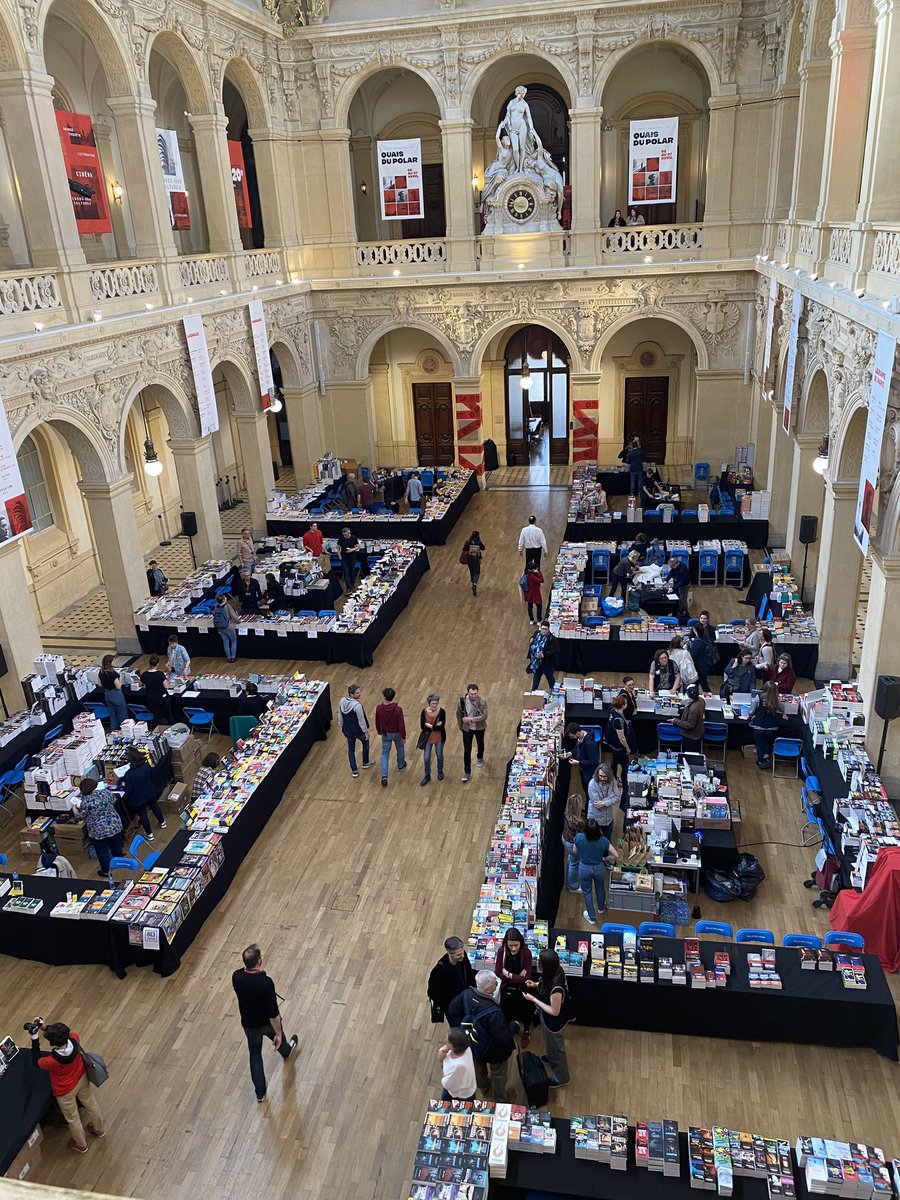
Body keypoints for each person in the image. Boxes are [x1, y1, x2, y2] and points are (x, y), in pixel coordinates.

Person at [231, 943, 298, 1102]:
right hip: (266, 1024)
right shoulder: (266, 983)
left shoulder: (236, 977)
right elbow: (273, 1014)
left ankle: (260, 1092)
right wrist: (279, 1033)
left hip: (248, 1024)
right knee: (279, 1040)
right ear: (259, 961)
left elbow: (244, 972)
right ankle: (286, 1051)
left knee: (254, 1054)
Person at [30, 1019, 104, 1153]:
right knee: (91, 1103)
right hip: (81, 1078)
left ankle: (81, 1145)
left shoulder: (51, 1061)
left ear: (52, 1043)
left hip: (65, 1090)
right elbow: (65, 1034)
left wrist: (35, 1038)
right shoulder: (75, 1038)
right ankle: (99, 1129)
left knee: (73, 1118)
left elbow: (36, 1061)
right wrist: (46, 1027)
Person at [447, 970, 518, 1103]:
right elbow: (503, 1037)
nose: (497, 984)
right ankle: (500, 1098)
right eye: (494, 983)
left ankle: (485, 1090)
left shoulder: (466, 995)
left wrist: (464, 1030)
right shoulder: (494, 1013)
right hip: (495, 1051)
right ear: (487, 990)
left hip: (473, 1045)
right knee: (498, 1074)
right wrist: (514, 1026)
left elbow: (452, 1009)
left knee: (478, 1070)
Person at [524, 948, 572, 1088]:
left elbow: (554, 1011)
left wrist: (533, 999)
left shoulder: (556, 989)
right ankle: (552, 1059)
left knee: (556, 1048)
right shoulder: (556, 971)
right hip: (547, 1019)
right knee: (551, 1045)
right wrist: (536, 985)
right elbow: (546, 983)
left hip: (553, 1022)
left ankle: (562, 1078)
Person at [572, 817, 618, 925]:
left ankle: (592, 917)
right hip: (598, 867)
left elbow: (574, 851)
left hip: (584, 868)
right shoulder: (603, 840)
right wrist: (605, 858)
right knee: (600, 888)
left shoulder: (579, 838)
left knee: (587, 892)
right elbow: (616, 855)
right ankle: (601, 908)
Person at [493, 927, 534, 1044]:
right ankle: (508, 1030)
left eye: (516, 945)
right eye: (510, 945)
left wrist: (509, 975)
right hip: (507, 989)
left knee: (526, 1011)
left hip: (523, 990)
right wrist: (518, 977)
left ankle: (526, 1031)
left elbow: (527, 977)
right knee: (506, 1011)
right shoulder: (502, 951)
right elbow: (498, 972)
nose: (513, 948)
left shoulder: (526, 953)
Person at [76, 777, 123, 877]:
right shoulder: (104, 793)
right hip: (113, 825)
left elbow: (80, 816)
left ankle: (106, 871)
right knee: (116, 845)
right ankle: (119, 861)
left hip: (98, 831)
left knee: (102, 852)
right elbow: (114, 799)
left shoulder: (85, 802)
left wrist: (74, 810)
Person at [121, 746, 167, 839]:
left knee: (142, 814)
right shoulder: (145, 766)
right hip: (150, 792)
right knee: (154, 806)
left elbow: (128, 789)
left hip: (138, 798)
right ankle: (162, 822)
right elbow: (152, 776)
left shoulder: (128, 774)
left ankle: (149, 834)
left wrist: (123, 784)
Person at [427, 936, 476, 1024]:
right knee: (458, 1028)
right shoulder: (439, 970)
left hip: (466, 998)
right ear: (450, 954)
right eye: (458, 955)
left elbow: (469, 973)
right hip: (453, 1006)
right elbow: (433, 992)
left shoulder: (462, 957)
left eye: (462, 952)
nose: (463, 956)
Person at [748, 680, 787, 768]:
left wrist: (749, 714)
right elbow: (782, 708)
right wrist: (784, 713)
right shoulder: (775, 699)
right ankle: (766, 756)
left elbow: (751, 712)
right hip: (771, 727)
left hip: (759, 726)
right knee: (766, 742)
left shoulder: (758, 697)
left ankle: (762, 761)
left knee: (759, 744)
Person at [604, 693, 636, 792]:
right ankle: (623, 782)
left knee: (614, 762)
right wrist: (627, 748)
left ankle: (612, 780)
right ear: (623, 706)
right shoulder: (618, 720)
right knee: (624, 765)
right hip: (619, 746)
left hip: (612, 744)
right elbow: (621, 737)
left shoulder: (613, 711)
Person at [375, 686, 406, 787]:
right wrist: (403, 736)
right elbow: (401, 724)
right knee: (400, 748)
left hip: (386, 733)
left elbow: (377, 721)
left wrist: (379, 731)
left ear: (384, 696)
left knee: (385, 754)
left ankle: (384, 775)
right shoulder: (398, 709)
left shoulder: (379, 708)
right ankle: (401, 765)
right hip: (397, 733)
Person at [338, 683, 371, 777]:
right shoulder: (357, 706)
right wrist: (366, 732)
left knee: (351, 750)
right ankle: (365, 762)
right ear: (351, 694)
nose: (360, 694)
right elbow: (361, 721)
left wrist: (342, 726)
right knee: (366, 743)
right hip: (358, 731)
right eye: (357, 693)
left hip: (348, 730)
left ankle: (354, 770)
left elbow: (340, 715)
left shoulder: (342, 701)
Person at [457, 683, 488, 782]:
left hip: (479, 727)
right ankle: (467, 772)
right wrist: (460, 726)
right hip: (467, 729)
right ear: (468, 693)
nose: (474, 695)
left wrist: (471, 719)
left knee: (480, 743)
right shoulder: (462, 702)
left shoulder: (482, 702)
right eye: (471, 694)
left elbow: (484, 716)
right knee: (467, 750)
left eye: (475, 693)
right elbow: (458, 714)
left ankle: (480, 756)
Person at [439, 1029, 477, 1102]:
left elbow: (447, 1084)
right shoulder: (464, 1049)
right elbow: (441, 1059)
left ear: (455, 1046)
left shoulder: (459, 1066)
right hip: (454, 1088)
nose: (445, 1041)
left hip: (462, 1095)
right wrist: (442, 1051)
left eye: (448, 1041)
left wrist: (444, 1075)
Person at [587, 762, 621, 841]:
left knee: (607, 843)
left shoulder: (612, 781)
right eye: (600, 776)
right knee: (595, 843)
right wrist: (611, 797)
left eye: (605, 776)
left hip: (608, 819)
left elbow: (618, 796)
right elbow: (598, 804)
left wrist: (605, 803)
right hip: (595, 821)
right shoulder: (592, 784)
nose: (602, 778)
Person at [566, 723, 600, 796]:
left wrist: (578, 762)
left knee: (590, 792)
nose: (571, 738)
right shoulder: (580, 738)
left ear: (577, 733)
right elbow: (577, 749)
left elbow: (594, 761)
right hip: (583, 769)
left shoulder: (589, 743)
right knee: (585, 789)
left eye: (572, 736)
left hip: (590, 772)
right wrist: (570, 753)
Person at [420, 693, 446, 786]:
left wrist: (430, 726)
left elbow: (442, 727)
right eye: (433, 703)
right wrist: (435, 726)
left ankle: (440, 771)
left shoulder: (442, 712)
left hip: (439, 737)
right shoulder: (424, 712)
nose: (435, 705)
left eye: (436, 703)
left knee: (439, 755)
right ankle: (427, 775)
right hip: (428, 738)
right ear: (429, 703)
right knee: (426, 757)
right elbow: (422, 726)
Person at [139, 655, 174, 725]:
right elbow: (166, 686)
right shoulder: (160, 674)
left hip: (151, 698)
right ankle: (172, 726)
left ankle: (158, 729)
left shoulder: (144, 674)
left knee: (157, 715)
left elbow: (141, 684)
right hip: (162, 698)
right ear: (157, 664)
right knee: (168, 714)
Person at [562, 792, 585, 894]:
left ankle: (568, 880)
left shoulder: (567, 814)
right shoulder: (578, 823)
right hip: (573, 844)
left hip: (565, 839)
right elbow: (580, 837)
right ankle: (573, 885)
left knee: (571, 860)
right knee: (574, 863)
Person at [671, 684, 706, 752]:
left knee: (690, 755)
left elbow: (689, 725)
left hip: (691, 736)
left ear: (688, 694)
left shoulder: (693, 709)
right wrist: (686, 710)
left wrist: (675, 721)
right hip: (698, 733)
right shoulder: (701, 700)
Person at [98, 653, 128, 731]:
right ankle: (124, 730)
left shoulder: (101, 672)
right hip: (116, 695)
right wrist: (120, 678)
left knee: (113, 714)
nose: (115, 663)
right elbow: (118, 687)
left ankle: (113, 730)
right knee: (122, 713)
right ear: (110, 663)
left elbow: (100, 684)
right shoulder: (113, 674)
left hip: (107, 694)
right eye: (114, 661)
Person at [527, 620, 558, 692]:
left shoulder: (552, 639)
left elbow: (555, 650)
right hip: (537, 663)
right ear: (540, 628)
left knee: (550, 679)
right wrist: (530, 639)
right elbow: (532, 638)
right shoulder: (537, 633)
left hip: (547, 664)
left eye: (545, 629)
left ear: (548, 629)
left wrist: (544, 654)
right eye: (542, 629)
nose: (543, 631)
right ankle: (533, 692)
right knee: (536, 679)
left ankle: (554, 692)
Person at [688, 630, 719, 696]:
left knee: (700, 682)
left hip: (698, 666)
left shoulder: (697, 642)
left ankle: (697, 695)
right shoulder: (703, 639)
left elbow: (693, 655)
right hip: (703, 665)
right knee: (702, 682)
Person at [213, 593, 240, 662]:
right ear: (224, 599)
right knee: (233, 641)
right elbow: (234, 616)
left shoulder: (216, 607)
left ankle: (228, 658)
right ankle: (233, 657)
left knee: (225, 642)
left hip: (220, 627)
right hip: (229, 626)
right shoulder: (227, 606)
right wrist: (238, 621)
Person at [667, 556, 691, 622]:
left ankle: (684, 611)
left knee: (683, 599)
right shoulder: (674, 566)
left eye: (672, 566)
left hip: (684, 585)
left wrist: (673, 588)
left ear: (676, 564)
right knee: (678, 596)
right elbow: (671, 572)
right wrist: (666, 580)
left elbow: (682, 582)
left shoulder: (682, 570)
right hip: (678, 583)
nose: (671, 568)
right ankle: (678, 608)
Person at [338, 526, 362, 591]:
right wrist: (339, 556)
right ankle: (348, 587)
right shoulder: (341, 539)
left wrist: (352, 549)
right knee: (346, 573)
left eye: (347, 534)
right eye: (344, 535)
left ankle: (352, 584)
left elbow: (358, 546)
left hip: (352, 558)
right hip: (344, 558)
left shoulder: (353, 538)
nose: (346, 536)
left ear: (349, 532)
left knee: (352, 572)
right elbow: (338, 547)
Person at [461, 530, 485, 596]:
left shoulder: (468, 542)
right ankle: (474, 583)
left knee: (471, 571)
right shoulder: (478, 542)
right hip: (476, 559)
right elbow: (483, 548)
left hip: (469, 559)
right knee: (477, 572)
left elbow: (464, 549)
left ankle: (472, 581)